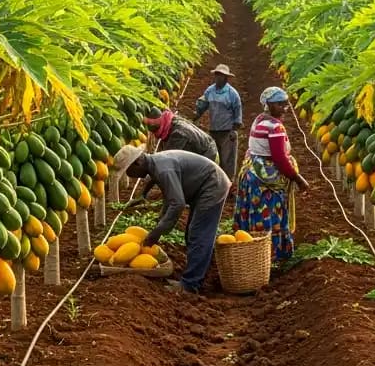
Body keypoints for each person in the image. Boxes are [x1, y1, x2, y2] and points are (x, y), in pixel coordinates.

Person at [113, 145, 231, 293]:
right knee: (192, 234)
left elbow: (177, 203)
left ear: (137, 163)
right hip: (205, 185)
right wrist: (143, 195)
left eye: (129, 172)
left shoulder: (163, 169)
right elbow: (155, 180)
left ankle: (190, 285)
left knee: (198, 234)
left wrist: (158, 231)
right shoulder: (155, 163)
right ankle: (196, 275)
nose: (130, 176)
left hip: (213, 186)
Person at [234, 87, 309, 261]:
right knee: (268, 217)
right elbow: (279, 159)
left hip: (253, 176)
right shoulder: (275, 127)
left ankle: (250, 254)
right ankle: (267, 257)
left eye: (286, 104)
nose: (284, 108)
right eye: (279, 104)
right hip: (265, 183)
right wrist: (299, 179)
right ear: (268, 105)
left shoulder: (259, 120)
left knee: (254, 215)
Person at [132, 108, 220, 205]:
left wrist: (143, 193)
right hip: (200, 150)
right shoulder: (169, 123)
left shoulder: (178, 134)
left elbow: (162, 163)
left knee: (187, 189)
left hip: (209, 154)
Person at [195, 64, 243, 184]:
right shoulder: (210, 91)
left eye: (220, 75)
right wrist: (195, 115)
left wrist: (234, 130)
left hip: (228, 131)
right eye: (216, 75)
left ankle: (228, 184)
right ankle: (215, 183)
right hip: (213, 130)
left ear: (226, 78)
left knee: (228, 160)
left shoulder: (232, 94)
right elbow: (202, 105)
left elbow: (238, 113)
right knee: (214, 157)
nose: (217, 78)